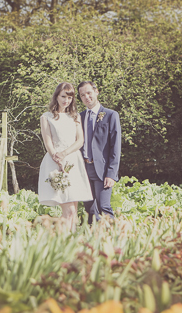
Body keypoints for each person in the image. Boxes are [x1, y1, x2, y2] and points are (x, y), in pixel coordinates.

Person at [38, 82, 93, 231]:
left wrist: (65, 153)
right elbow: (48, 142)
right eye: (63, 96)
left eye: (69, 97)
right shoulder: (46, 117)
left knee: (73, 212)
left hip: (73, 161)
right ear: (56, 96)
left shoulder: (74, 117)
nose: (66, 100)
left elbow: (80, 141)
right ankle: (63, 242)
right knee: (68, 210)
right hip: (56, 162)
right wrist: (58, 158)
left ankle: (69, 243)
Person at [78, 81, 121, 224]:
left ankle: (115, 238)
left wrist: (111, 173)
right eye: (82, 95)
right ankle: (93, 240)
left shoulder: (110, 115)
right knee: (89, 209)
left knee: (104, 206)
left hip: (102, 170)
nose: (86, 97)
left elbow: (115, 147)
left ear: (96, 91)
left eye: (89, 93)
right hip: (84, 169)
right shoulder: (79, 117)